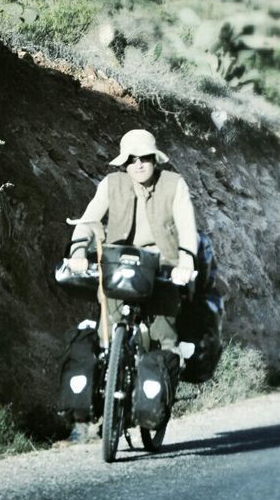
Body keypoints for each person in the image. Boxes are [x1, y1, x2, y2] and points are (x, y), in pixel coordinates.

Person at [65, 128, 197, 350]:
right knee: (104, 335)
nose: (139, 165)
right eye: (131, 159)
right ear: (124, 163)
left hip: (160, 263)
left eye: (144, 158)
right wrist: (77, 252)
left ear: (155, 159)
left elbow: (186, 225)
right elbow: (89, 220)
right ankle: (105, 373)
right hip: (118, 264)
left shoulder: (174, 183)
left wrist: (186, 261)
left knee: (164, 337)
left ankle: (164, 367)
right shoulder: (112, 183)